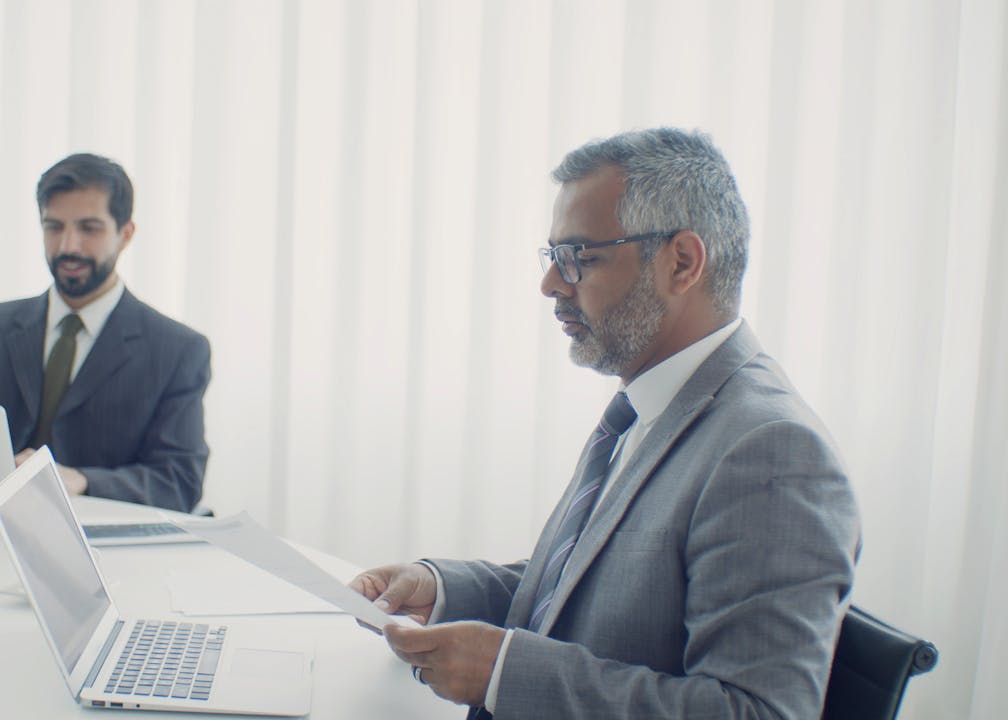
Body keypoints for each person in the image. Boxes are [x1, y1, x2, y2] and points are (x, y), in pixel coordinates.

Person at [350, 128, 860, 719]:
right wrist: (443, 590)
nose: (549, 285)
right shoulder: (648, 407)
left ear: (682, 262)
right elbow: (586, 593)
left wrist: (506, 674)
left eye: (579, 258)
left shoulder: (773, 451)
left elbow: (758, 713)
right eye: (552, 258)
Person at [0, 153, 210, 512]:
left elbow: (178, 481)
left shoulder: (177, 350)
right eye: (54, 227)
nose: (68, 246)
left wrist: (82, 480)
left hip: (104, 548)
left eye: (88, 228)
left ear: (125, 234)